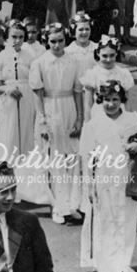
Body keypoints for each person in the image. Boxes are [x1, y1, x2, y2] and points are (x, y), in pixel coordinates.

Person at [79, 81, 137, 272]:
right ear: (101, 100)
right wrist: (89, 185)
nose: (111, 104)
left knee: (128, 217)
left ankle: (124, 262)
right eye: (107, 99)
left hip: (127, 174)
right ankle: (109, 264)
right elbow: (88, 157)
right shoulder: (93, 124)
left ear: (122, 100)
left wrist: (136, 145)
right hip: (105, 175)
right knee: (108, 218)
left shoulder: (132, 119)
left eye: (115, 100)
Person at [0, 20, 51, 206]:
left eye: (21, 37)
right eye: (14, 36)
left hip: (27, 98)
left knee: (27, 140)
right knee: (9, 138)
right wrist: (6, 88)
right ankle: (4, 184)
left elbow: (37, 80)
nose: (17, 40)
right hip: (9, 101)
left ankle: (27, 189)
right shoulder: (2, 56)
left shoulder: (31, 55)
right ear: (7, 37)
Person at [30, 22, 84, 224]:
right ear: (47, 41)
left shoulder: (73, 61)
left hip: (69, 106)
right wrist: (42, 119)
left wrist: (79, 117)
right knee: (54, 158)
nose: (57, 45)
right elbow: (37, 93)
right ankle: (57, 206)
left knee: (72, 156)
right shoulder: (40, 62)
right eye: (53, 41)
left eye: (61, 41)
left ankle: (72, 204)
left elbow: (78, 91)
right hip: (50, 109)